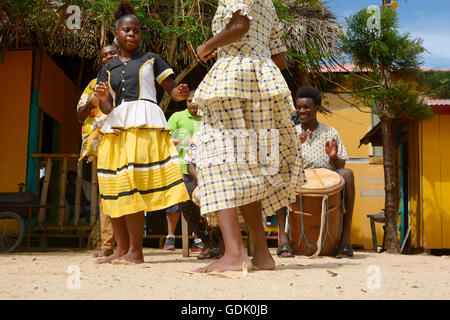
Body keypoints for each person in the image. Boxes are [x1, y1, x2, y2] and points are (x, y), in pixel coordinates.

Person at [192, 0, 306, 273]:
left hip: (233, 78)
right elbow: (279, 58)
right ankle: (263, 255)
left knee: (216, 162)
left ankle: (234, 254)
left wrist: (208, 47)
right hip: (263, 81)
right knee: (247, 168)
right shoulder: (269, 5)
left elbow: (241, 25)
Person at [94, 2, 190, 264]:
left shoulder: (152, 59)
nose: (132, 34)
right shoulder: (108, 68)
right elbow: (107, 106)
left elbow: (170, 89)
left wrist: (178, 93)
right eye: (127, 30)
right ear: (117, 34)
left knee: (133, 185)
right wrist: (103, 98)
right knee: (114, 187)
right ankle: (120, 250)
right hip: (116, 126)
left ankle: (136, 252)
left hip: (144, 125)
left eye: (136, 30)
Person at [276, 85, 355, 258]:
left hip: (326, 178)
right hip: (298, 178)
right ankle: (283, 239)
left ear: (316, 108)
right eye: (298, 107)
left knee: (348, 174)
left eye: (306, 107)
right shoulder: (291, 133)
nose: (301, 111)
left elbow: (340, 164)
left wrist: (333, 157)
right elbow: (282, 164)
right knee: (277, 176)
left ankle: (345, 240)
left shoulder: (330, 132)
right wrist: (295, 146)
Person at [76, 44, 120, 258]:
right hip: (102, 143)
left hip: (126, 139)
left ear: (119, 55)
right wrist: (94, 99)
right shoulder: (93, 84)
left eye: (113, 53)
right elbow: (79, 115)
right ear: (101, 60)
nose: (109, 57)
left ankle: (129, 246)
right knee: (107, 193)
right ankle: (107, 244)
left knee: (128, 189)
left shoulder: (129, 78)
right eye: (105, 55)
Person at [163, 90, 202, 251]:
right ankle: (170, 237)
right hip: (181, 167)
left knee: (200, 204)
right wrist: (180, 142)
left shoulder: (209, 119)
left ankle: (199, 238)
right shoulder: (177, 117)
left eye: (195, 100)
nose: (192, 104)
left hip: (203, 169)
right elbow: (165, 139)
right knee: (175, 203)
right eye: (189, 101)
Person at [180, 130, 224, 259]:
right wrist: (201, 181)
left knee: (222, 194)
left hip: (227, 181)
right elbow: (190, 165)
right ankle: (206, 241)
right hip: (204, 180)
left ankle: (223, 241)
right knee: (184, 193)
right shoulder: (198, 136)